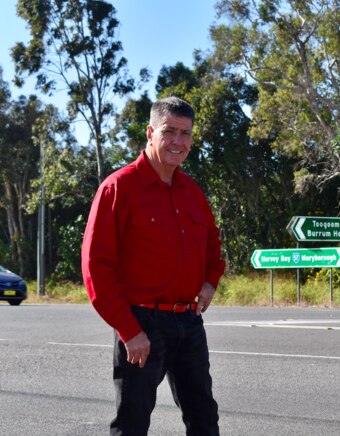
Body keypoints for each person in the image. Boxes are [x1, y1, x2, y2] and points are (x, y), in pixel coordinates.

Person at [81, 96, 226, 435]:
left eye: (186, 133)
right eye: (169, 131)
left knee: (204, 417)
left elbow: (212, 242)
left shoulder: (192, 191)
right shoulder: (118, 188)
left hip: (189, 322)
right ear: (150, 132)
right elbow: (96, 266)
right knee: (132, 423)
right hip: (142, 324)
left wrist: (210, 281)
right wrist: (129, 331)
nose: (178, 141)